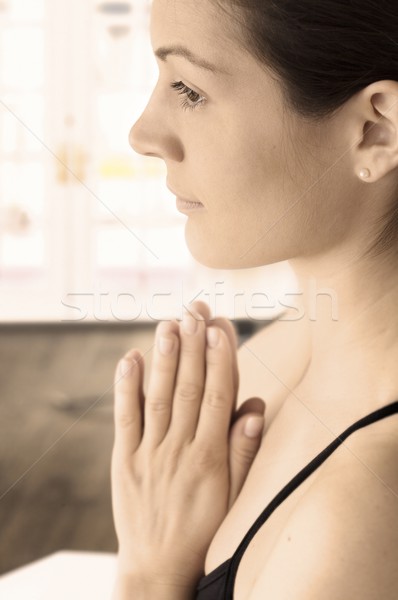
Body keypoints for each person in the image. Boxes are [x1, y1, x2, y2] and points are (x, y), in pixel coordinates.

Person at [110, 1, 398, 598]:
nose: (142, 134)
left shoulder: (364, 506)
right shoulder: (272, 359)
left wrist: (151, 575)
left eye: (188, 89)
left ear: (378, 132)